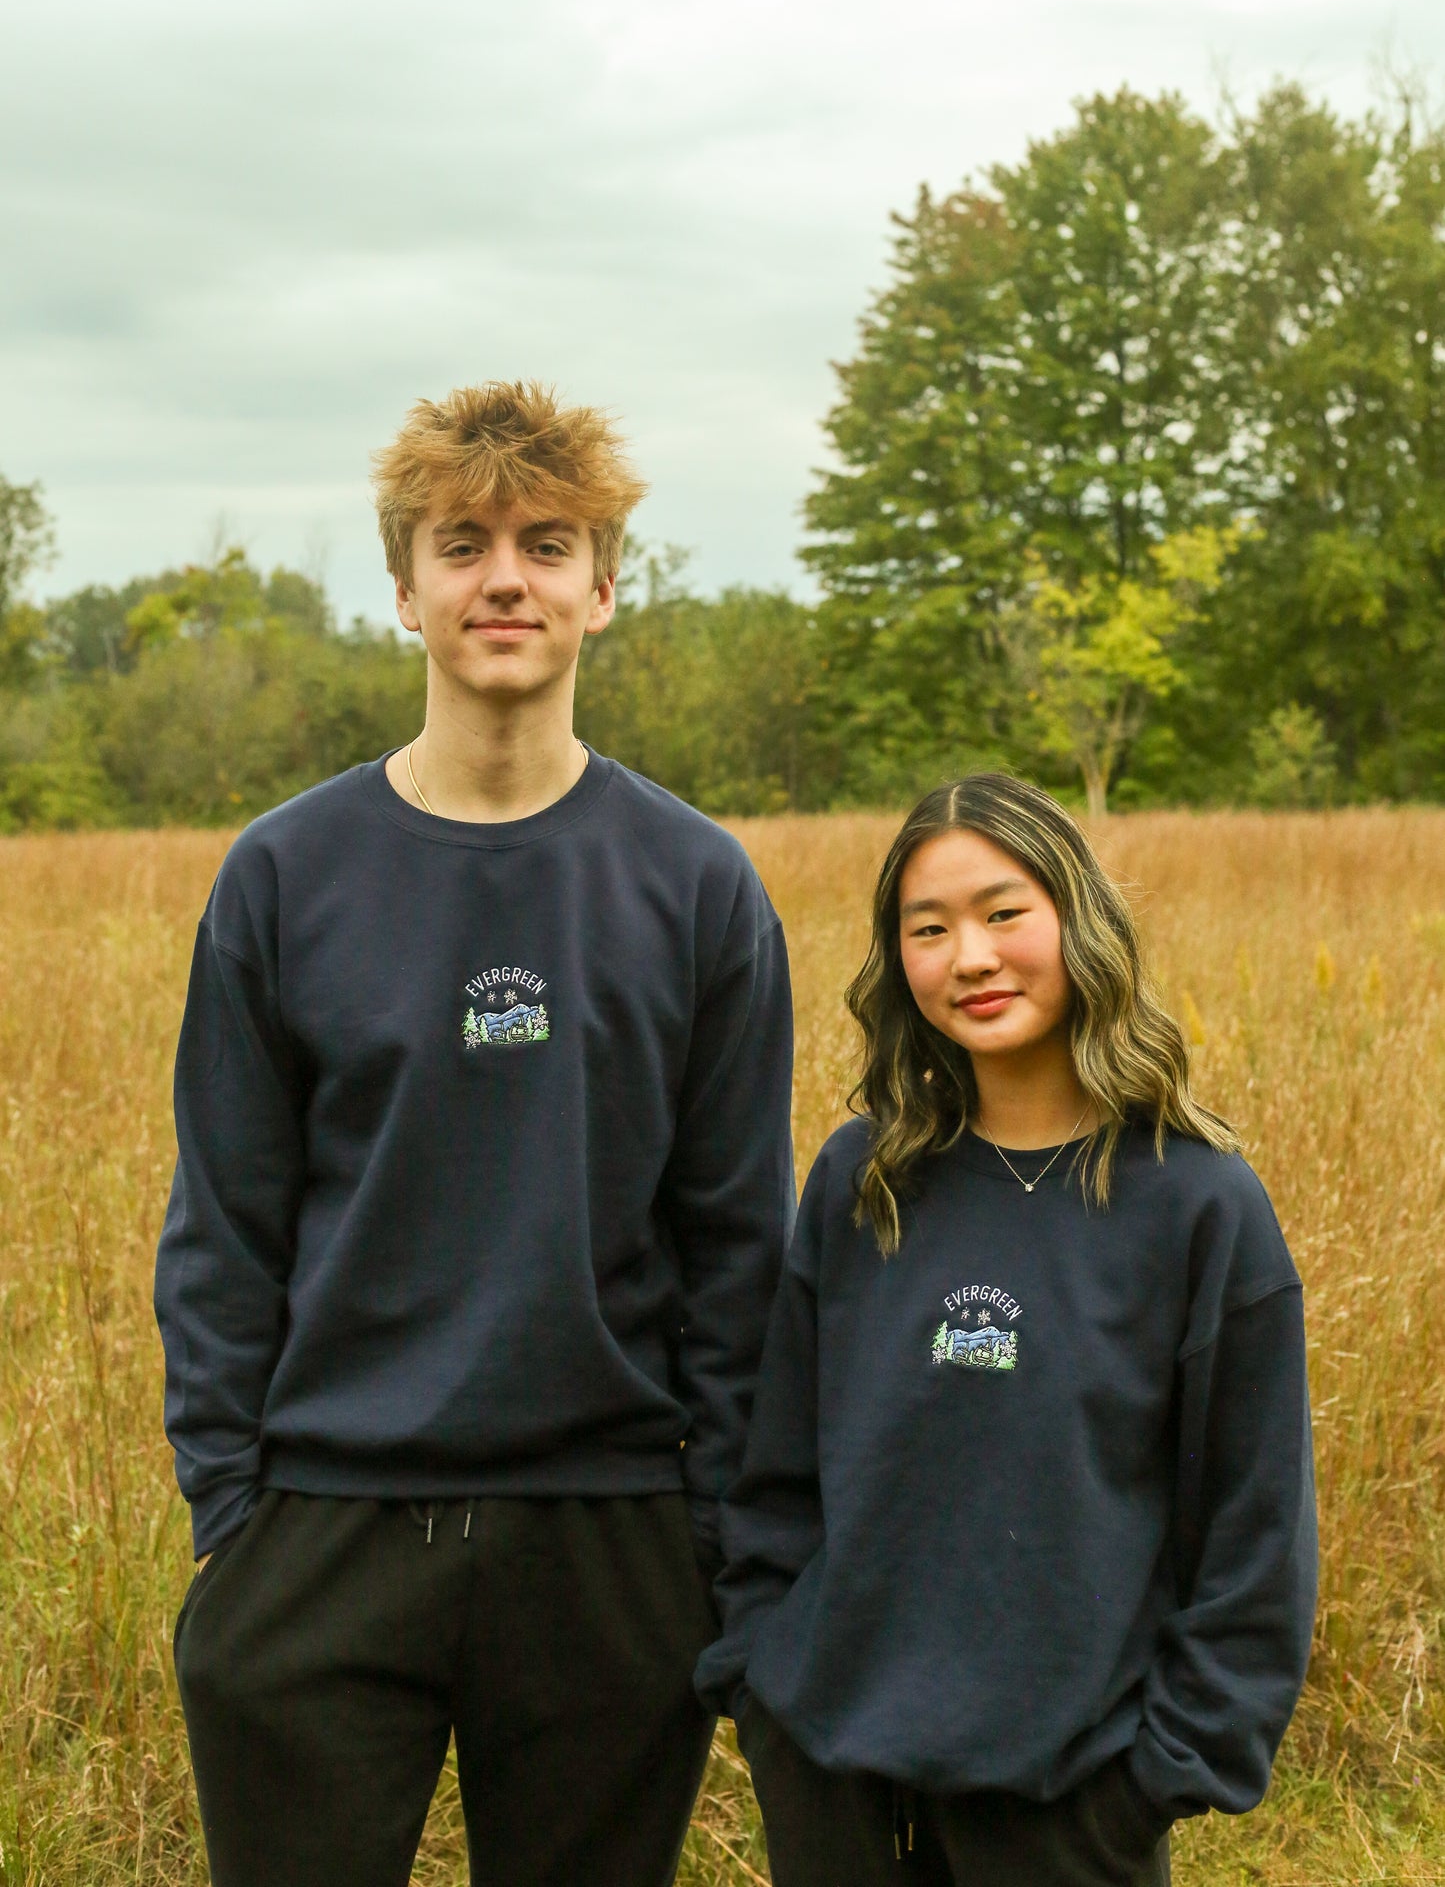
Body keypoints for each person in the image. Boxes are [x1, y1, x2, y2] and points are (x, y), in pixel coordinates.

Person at [155, 381, 796, 1887]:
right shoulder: (280, 880)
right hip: (322, 1528)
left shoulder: (698, 885)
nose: (505, 576)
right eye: (463, 543)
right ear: (403, 589)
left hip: (610, 1536)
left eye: (547, 543)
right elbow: (225, 1227)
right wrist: (233, 1522)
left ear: (605, 589)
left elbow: (736, 1243)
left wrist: (705, 1538)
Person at [697, 773, 1316, 1887]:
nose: (968, 957)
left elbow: (1253, 1534)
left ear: (1079, 921)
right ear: (898, 965)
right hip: (833, 1777)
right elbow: (774, 1467)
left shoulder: (1197, 1205)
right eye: (925, 930)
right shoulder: (861, 1178)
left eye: (1001, 912)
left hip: (1071, 1802)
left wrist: (1156, 1777)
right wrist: (760, 1674)